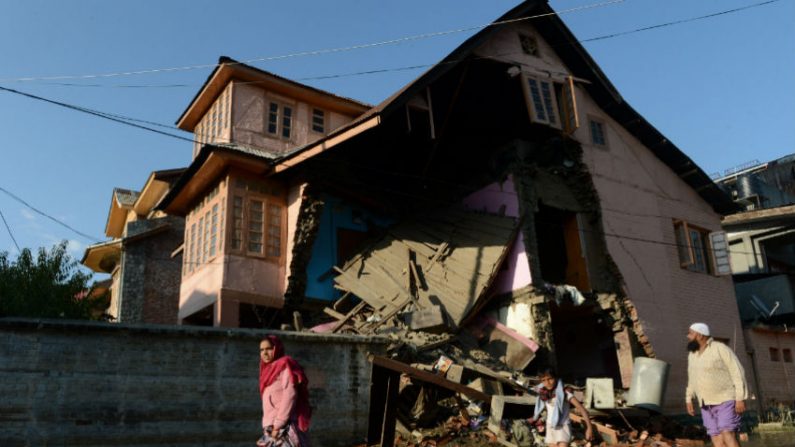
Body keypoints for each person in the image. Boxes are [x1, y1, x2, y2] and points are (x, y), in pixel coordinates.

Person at [685, 322, 748, 447]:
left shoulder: (720, 348)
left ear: (700, 335)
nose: (688, 336)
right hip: (705, 402)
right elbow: (692, 377)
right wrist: (688, 398)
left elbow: (737, 372)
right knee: (716, 439)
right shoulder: (692, 354)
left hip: (726, 399)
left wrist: (740, 398)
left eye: (691, 333)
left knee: (727, 433)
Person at [257, 335, 311, 447]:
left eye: (269, 349)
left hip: (284, 425)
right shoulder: (267, 369)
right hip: (271, 425)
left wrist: (278, 424)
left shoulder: (285, 365)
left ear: (276, 348)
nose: (265, 353)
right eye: (262, 350)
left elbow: (290, 394)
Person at [529, 368, 593, 447]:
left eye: (550, 379)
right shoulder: (544, 393)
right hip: (550, 426)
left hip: (563, 426)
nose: (547, 383)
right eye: (544, 380)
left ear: (555, 377)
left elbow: (582, 410)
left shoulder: (564, 392)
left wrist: (589, 428)